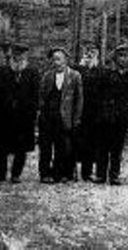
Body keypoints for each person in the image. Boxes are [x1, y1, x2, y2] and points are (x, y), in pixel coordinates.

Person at [94, 44, 128, 185]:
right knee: (103, 146)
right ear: (115, 58)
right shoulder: (106, 74)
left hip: (122, 116)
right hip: (105, 115)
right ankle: (100, 174)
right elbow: (98, 94)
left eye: (127, 56)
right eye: (121, 56)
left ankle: (114, 174)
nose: (124, 59)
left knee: (117, 147)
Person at [38, 47, 83, 183]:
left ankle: (58, 173)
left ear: (66, 60)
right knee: (45, 147)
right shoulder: (47, 76)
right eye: (54, 59)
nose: (56, 62)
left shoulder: (74, 76)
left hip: (64, 118)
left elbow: (79, 99)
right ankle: (45, 173)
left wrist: (76, 119)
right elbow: (41, 96)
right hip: (48, 118)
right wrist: (41, 112)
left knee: (61, 147)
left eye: (59, 59)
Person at [0, 43, 39, 183]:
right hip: (4, 117)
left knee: (21, 148)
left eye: (21, 56)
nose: (18, 59)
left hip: (24, 117)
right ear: (11, 57)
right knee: (2, 147)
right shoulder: (3, 72)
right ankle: (1, 174)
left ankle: (16, 174)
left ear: (25, 57)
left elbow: (35, 96)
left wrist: (32, 113)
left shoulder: (32, 72)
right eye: (15, 56)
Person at [76, 43, 102, 182]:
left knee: (91, 143)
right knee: (74, 141)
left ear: (97, 54)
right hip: (77, 111)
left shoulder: (101, 71)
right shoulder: (76, 69)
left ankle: (87, 172)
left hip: (94, 113)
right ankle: (69, 172)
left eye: (92, 51)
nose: (89, 54)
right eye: (87, 51)